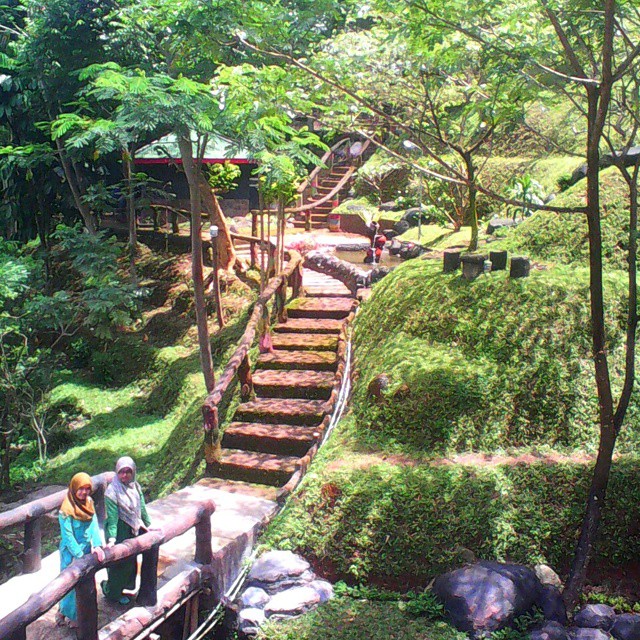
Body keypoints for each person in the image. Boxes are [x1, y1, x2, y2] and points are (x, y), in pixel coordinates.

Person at [57, 473, 105, 628]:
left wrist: (97, 545)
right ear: (74, 489)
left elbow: (93, 525)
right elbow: (68, 536)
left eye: (87, 489)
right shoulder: (66, 510)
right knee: (70, 582)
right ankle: (67, 612)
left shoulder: (89, 502)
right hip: (70, 552)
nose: (84, 492)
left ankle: (77, 614)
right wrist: (78, 556)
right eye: (80, 489)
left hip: (85, 548)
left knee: (84, 582)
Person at [101, 456, 151, 605]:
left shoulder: (135, 487)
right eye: (121, 472)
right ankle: (111, 592)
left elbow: (141, 506)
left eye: (128, 472)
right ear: (117, 472)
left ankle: (123, 589)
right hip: (118, 529)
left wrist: (148, 524)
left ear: (133, 472)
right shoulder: (112, 491)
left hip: (131, 527)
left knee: (130, 562)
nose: (125, 475)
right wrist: (112, 539)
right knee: (120, 565)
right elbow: (112, 517)